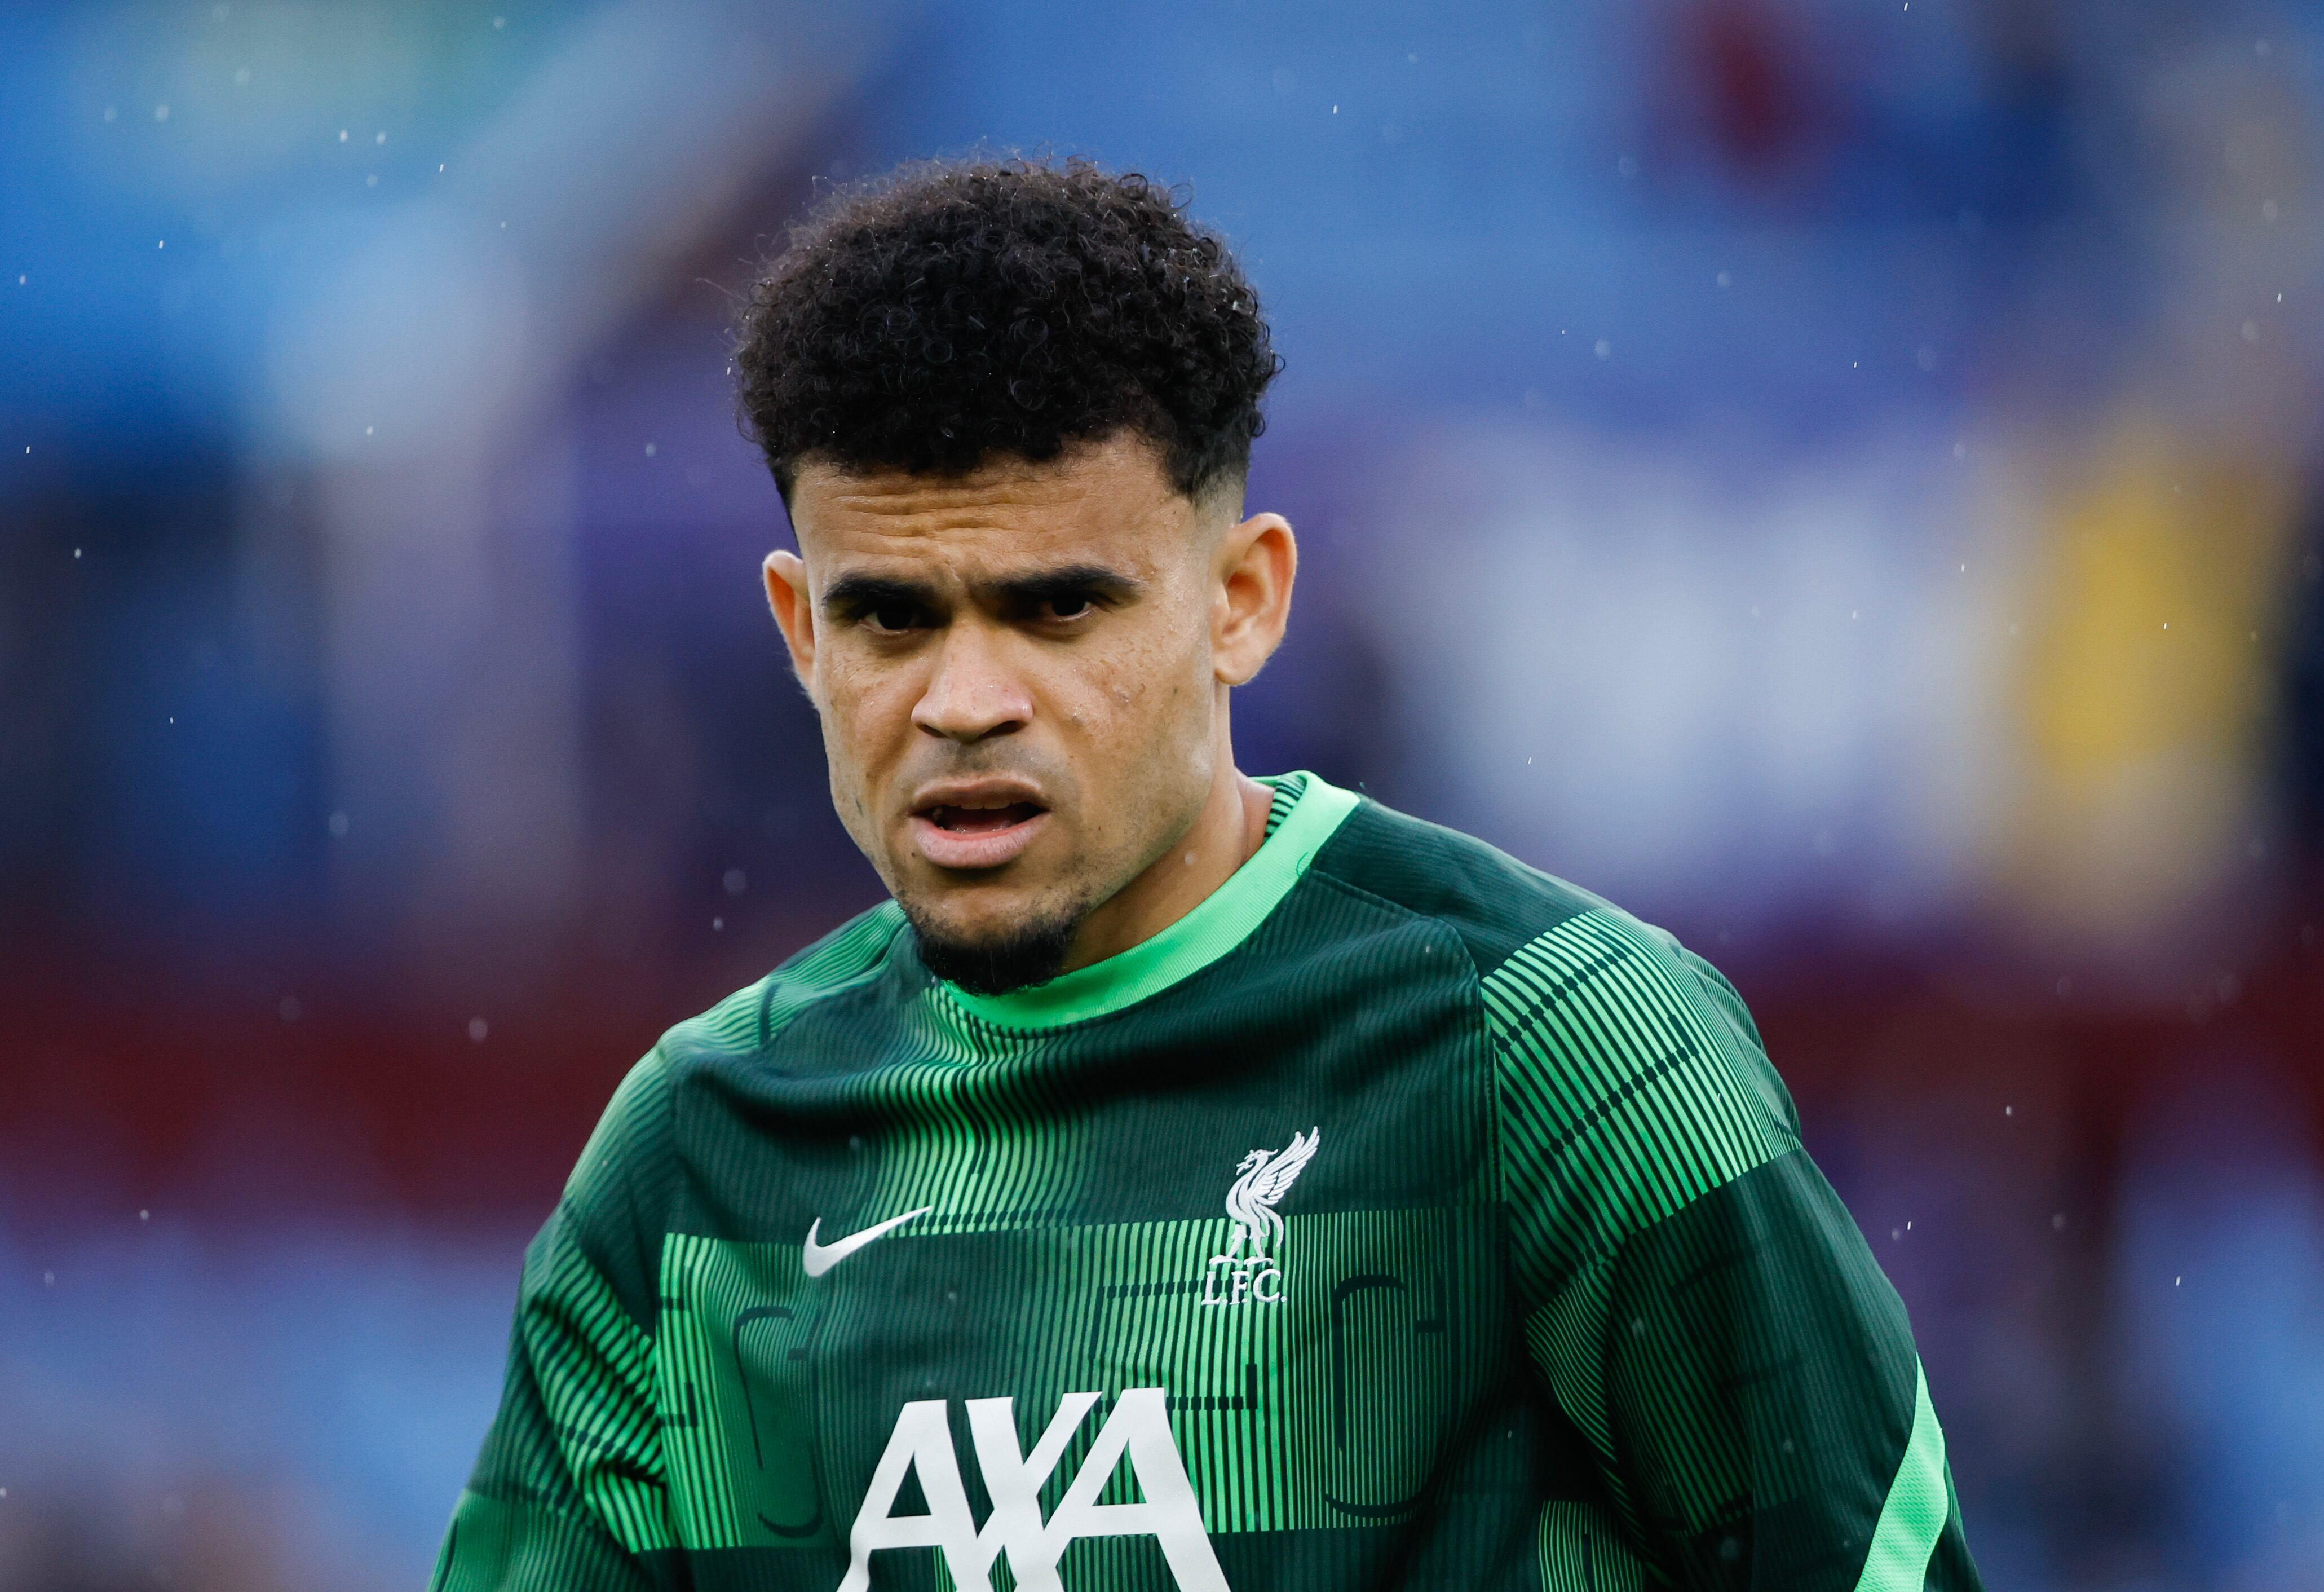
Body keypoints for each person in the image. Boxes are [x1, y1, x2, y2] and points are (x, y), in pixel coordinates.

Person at [431, 157, 1982, 1592]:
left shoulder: (1559, 1055)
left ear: (1240, 603)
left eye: (1056, 611)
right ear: (798, 632)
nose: (963, 701)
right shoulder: (697, 1157)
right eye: (892, 618)